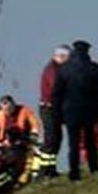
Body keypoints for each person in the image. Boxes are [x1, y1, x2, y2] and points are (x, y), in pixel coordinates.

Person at [52, 40, 98, 181]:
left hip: (70, 112)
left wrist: (57, 115)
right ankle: (94, 168)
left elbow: (56, 94)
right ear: (87, 51)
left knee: (73, 143)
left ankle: (74, 173)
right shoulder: (94, 69)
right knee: (91, 141)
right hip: (90, 111)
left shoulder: (64, 69)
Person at [34, 45, 71, 179]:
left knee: (57, 138)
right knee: (51, 139)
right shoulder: (52, 70)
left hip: (56, 108)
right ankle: (43, 171)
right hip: (49, 108)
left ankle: (51, 169)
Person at [0, 95, 40, 186]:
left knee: (29, 159)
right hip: (5, 143)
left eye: (9, 108)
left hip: (24, 140)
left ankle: (24, 178)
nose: (8, 111)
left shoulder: (25, 111)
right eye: (5, 109)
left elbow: (34, 123)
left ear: (13, 104)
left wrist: (33, 135)